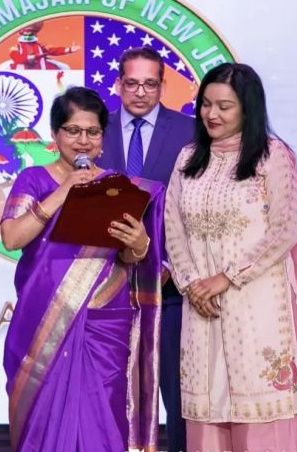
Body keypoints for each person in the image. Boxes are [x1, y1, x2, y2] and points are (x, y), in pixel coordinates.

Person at [164, 62, 297, 451]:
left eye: (224, 106)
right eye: (206, 104)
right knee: (206, 417)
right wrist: (192, 284)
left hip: (256, 309)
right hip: (201, 312)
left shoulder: (272, 157)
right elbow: (172, 228)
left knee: (260, 421)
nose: (212, 114)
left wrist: (225, 278)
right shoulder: (188, 158)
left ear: (248, 108)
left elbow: (284, 230)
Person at [1, 86, 164, 451]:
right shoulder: (34, 180)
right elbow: (12, 237)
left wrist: (139, 244)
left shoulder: (120, 188)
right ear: (55, 134)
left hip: (104, 323)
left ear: (103, 139)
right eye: (73, 131)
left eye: (93, 132)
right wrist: (64, 192)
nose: (83, 141)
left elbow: (130, 258)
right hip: (43, 319)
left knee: (102, 415)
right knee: (43, 420)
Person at [99, 46, 194, 452]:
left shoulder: (190, 132)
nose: (140, 92)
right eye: (132, 83)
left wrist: (171, 263)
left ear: (162, 86)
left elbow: (198, 209)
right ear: (118, 83)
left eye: (150, 84)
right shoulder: (94, 128)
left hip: (170, 286)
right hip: (105, 285)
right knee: (108, 391)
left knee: (176, 390)